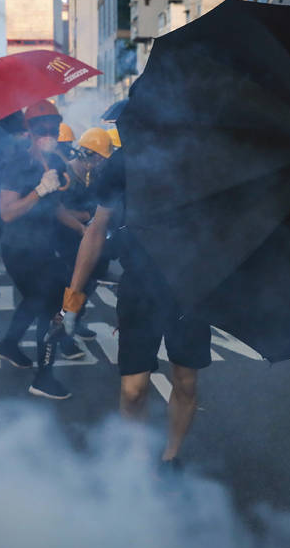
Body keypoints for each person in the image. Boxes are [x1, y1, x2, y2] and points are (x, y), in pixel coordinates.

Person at [54, 146, 211, 469]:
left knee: (185, 381)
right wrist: (72, 300)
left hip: (192, 287)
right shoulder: (124, 161)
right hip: (140, 288)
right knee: (133, 390)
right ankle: (138, 457)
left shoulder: (205, 153)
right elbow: (96, 231)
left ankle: (171, 456)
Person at [0, 108, 82, 398]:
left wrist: (84, 229)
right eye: (42, 129)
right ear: (29, 130)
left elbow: (56, 208)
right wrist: (37, 192)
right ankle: (43, 378)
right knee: (51, 307)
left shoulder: (53, 161)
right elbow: (6, 213)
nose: (49, 135)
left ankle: (8, 346)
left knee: (33, 301)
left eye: (54, 129)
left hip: (44, 248)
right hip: (20, 250)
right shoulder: (17, 163)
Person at [52, 127, 116, 341]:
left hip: (89, 236)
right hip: (66, 239)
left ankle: (75, 323)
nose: (101, 162)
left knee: (91, 281)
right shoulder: (66, 174)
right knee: (69, 285)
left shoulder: (95, 174)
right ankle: (62, 336)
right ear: (91, 154)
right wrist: (81, 221)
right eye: (99, 157)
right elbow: (55, 209)